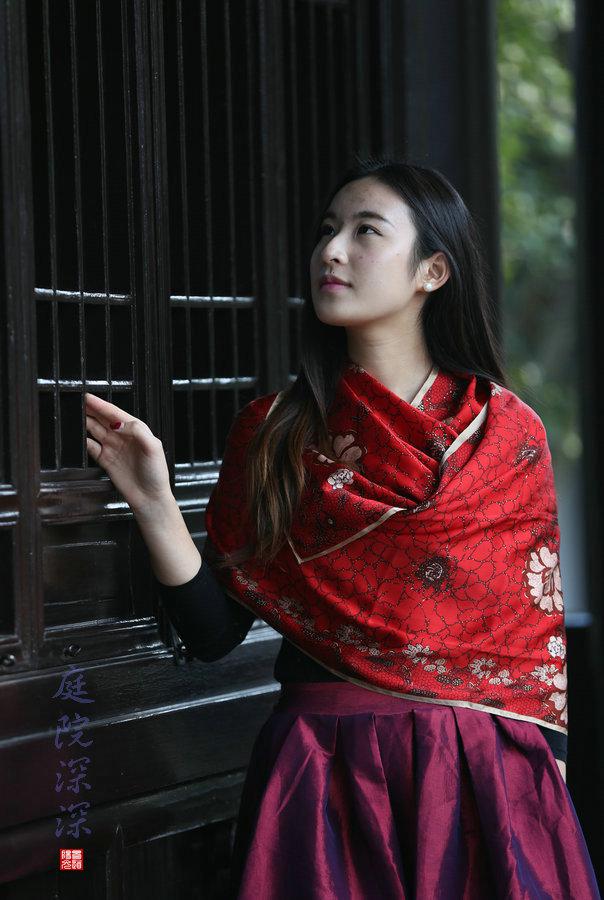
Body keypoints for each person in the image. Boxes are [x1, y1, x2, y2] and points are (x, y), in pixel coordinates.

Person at [84, 157, 600, 899]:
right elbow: (213, 633)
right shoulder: (275, 434)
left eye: (365, 232)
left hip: (478, 773)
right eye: (328, 230)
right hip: (322, 772)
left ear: (432, 272)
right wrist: (153, 500)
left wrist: (541, 798)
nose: (330, 250)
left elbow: (530, 648)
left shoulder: (503, 434)